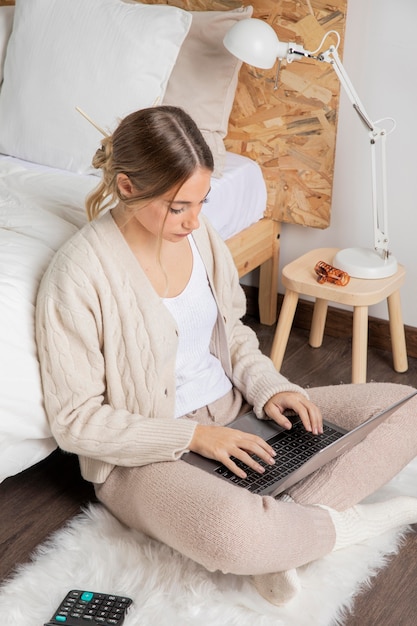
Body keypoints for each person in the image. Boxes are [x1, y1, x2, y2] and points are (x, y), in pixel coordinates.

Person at [36, 105, 417, 606]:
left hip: (236, 414)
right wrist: (195, 436)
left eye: (202, 201)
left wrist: (270, 387)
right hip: (146, 458)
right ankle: (326, 528)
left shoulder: (201, 237)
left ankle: (278, 533)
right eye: (178, 207)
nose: (195, 221)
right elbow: (76, 421)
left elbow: (231, 333)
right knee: (233, 532)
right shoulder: (78, 275)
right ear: (127, 188)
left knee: (406, 409)